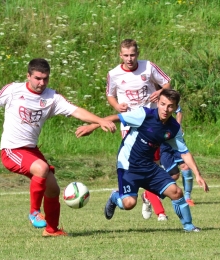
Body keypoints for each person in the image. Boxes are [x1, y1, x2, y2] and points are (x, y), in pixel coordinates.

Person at [0, 58, 116, 237]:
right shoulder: (13, 90)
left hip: (31, 150)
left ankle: (51, 229)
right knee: (42, 168)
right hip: (11, 150)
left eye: (45, 79)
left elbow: (76, 111)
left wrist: (100, 121)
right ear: (28, 76)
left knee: (53, 189)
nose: (41, 83)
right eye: (37, 78)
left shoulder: (52, 97)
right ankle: (34, 212)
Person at [76, 89, 209, 232]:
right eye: (163, 104)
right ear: (157, 102)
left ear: (175, 108)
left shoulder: (174, 128)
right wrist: (93, 125)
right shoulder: (144, 114)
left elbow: (184, 152)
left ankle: (189, 226)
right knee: (129, 204)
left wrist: (197, 174)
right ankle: (115, 197)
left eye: (170, 106)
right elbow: (117, 117)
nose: (165, 109)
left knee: (176, 192)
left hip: (149, 167)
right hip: (129, 165)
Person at [106, 38, 170, 221]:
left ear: (137, 54)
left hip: (151, 124)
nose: (129, 59)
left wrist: (160, 92)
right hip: (129, 126)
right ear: (120, 55)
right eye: (125, 55)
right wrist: (117, 106)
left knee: (154, 166)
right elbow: (110, 95)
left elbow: (166, 84)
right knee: (140, 165)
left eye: (132, 54)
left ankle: (147, 198)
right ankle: (158, 211)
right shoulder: (114, 74)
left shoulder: (148, 67)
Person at [160, 106, 195, 206]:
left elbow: (179, 112)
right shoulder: (153, 101)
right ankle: (152, 194)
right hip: (163, 145)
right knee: (174, 175)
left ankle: (187, 198)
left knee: (186, 166)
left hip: (175, 142)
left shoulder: (170, 99)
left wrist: (177, 126)